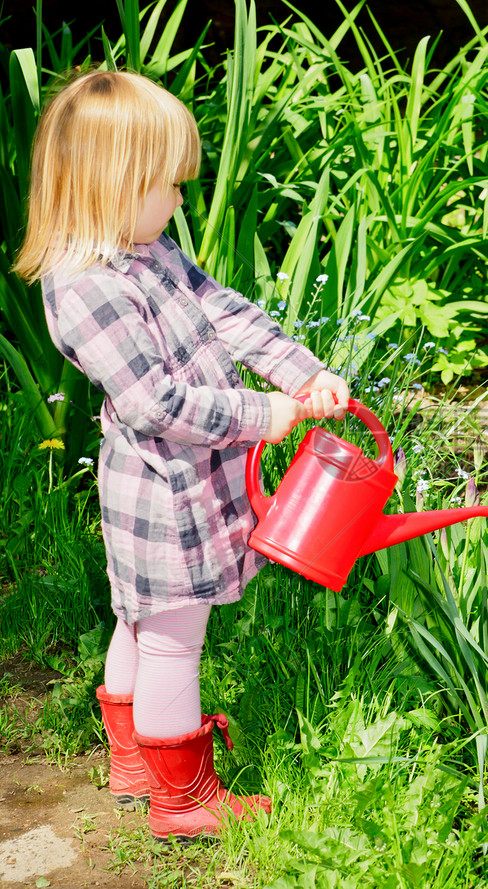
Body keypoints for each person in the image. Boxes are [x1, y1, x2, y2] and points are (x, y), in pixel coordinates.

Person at [14, 69, 350, 842]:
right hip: (164, 495)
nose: (178, 200)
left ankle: (135, 762)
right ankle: (184, 798)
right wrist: (264, 413)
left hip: (178, 485)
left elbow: (221, 309)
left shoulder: (144, 250)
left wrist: (301, 371)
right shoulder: (86, 285)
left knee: (140, 621)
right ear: (113, 182)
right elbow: (152, 403)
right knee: (171, 635)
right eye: (168, 184)